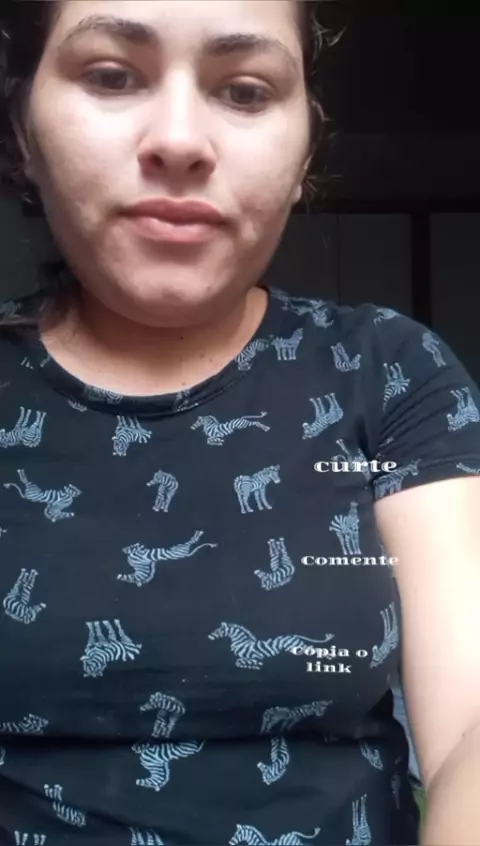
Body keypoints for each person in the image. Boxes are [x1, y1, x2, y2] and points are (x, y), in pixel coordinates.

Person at [0, 1, 479, 844]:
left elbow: (471, 721)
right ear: (23, 133)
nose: (179, 140)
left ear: (304, 155)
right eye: (111, 76)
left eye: (247, 91)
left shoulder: (388, 370)